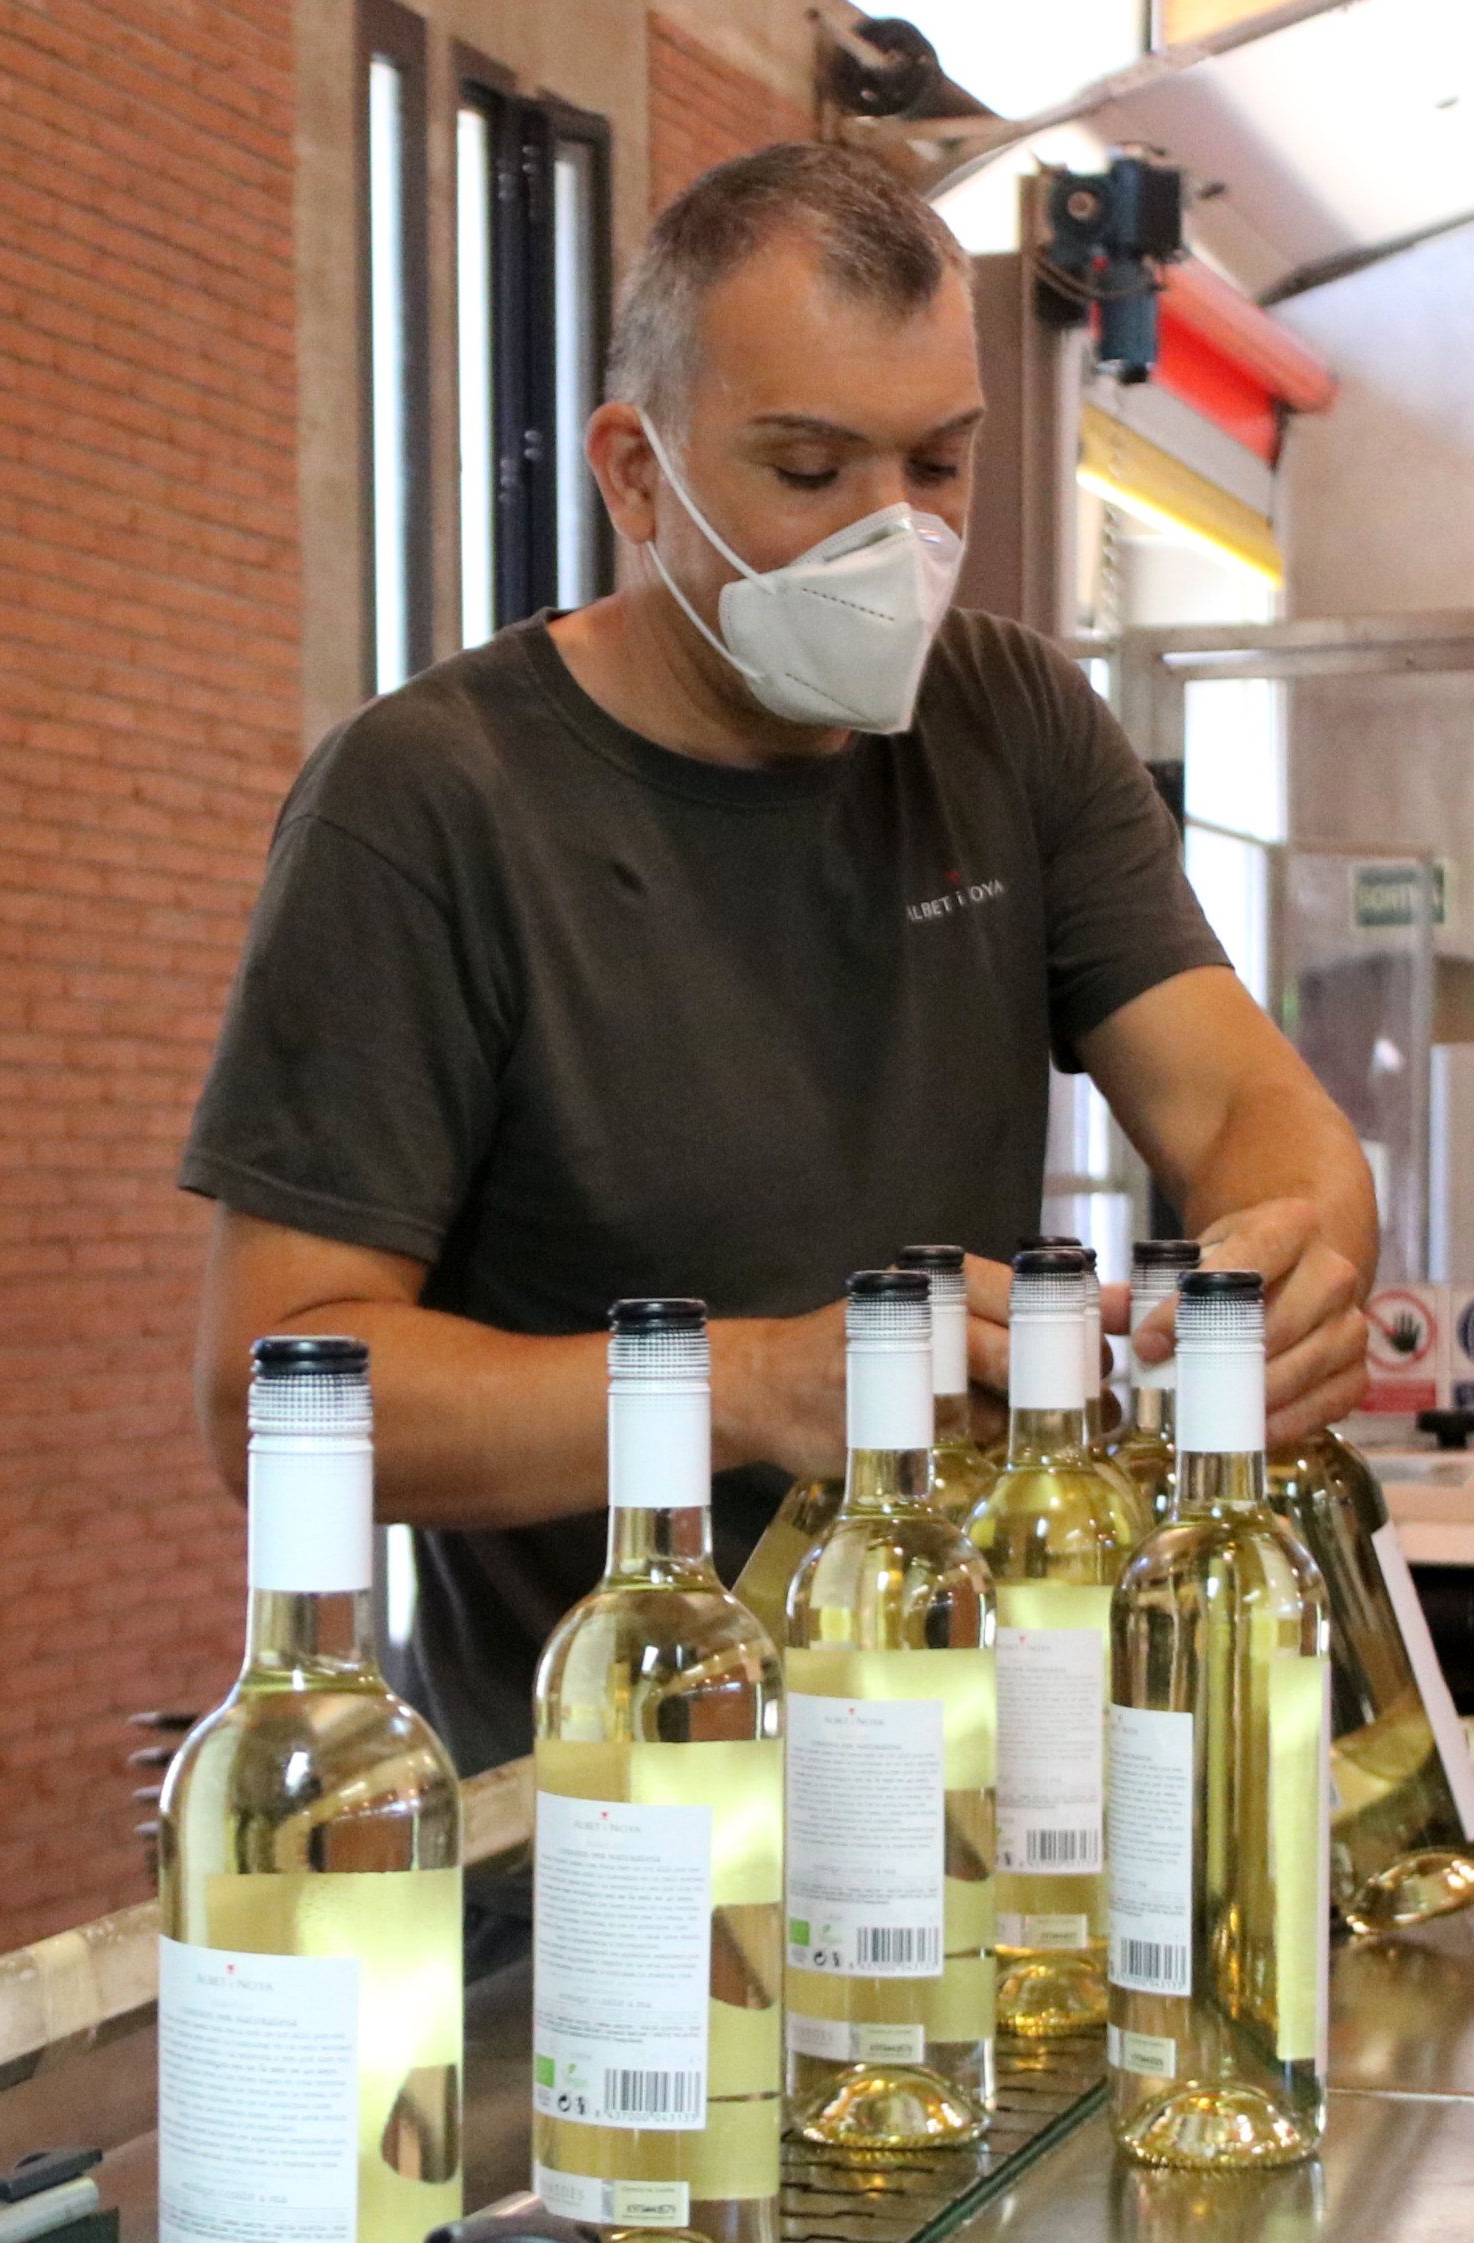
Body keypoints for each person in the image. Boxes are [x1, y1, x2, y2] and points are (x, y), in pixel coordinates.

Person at [177, 139, 1373, 1778]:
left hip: (971, 1785)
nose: (891, 542)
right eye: (809, 475)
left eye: (939, 469)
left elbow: (1245, 1102)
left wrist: (1297, 1259)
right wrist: (745, 1386)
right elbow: (277, 1399)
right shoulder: (431, 806)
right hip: (612, 1823)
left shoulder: (1012, 726)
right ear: (635, 472)